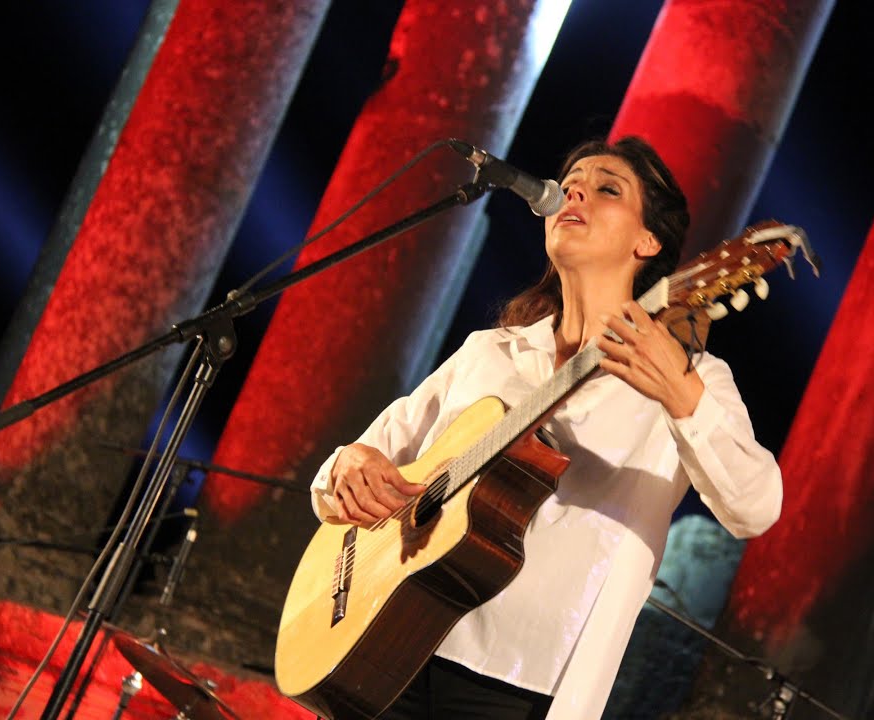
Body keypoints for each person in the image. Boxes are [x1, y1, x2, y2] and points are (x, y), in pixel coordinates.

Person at [308, 135, 783, 720]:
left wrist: (683, 394)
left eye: (608, 187)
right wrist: (349, 465)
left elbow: (756, 508)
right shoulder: (491, 352)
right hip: (390, 640)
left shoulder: (690, 376)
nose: (575, 189)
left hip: (519, 684)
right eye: (572, 179)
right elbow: (348, 468)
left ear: (648, 241)